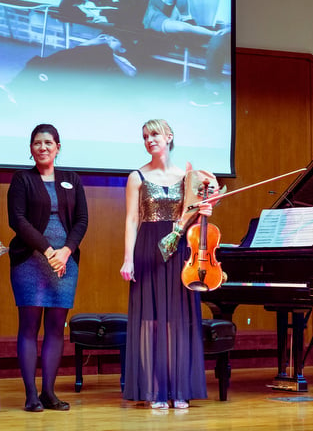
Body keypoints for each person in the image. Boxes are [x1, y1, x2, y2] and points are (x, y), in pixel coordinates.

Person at [119, 119, 211, 410]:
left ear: (169, 136)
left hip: (180, 248)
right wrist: (128, 259)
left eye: (155, 134)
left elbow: (193, 216)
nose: (149, 139)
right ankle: (155, 389)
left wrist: (205, 208)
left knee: (178, 320)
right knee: (151, 321)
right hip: (148, 247)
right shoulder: (137, 176)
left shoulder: (188, 177)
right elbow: (132, 219)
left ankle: (180, 388)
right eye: (145, 136)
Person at [7, 124, 88, 412]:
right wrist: (48, 250)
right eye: (37, 143)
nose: (43, 147)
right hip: (30, 260)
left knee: (56, 327)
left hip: (64, 262)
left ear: (58, 147)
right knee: (29, 327)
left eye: (48, 142)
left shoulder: (72, 179)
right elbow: (17, 220)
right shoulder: (21, 179)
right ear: (31, 148)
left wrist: (65, 252)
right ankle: (30, 395)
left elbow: (81, 220)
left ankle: (49, 393)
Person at [60, 0, 228, 39]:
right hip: (147, 19)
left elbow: (131, 4)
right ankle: (215, 34)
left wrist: (109, 15)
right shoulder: (88, 5)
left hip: (150, 3)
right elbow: (64, 8)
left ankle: (187, 17)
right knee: (181, 28)